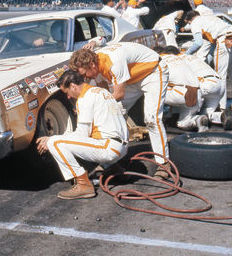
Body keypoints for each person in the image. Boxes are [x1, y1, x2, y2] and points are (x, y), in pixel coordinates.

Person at [69, 42, 171, 179]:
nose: (86, 78)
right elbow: (104, 95)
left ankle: (164, 163)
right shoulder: (95, 67)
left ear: (92, 65)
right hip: (131, 78)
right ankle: (112, 161)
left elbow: (118, 94)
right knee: (114, 113)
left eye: (84, 74)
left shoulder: (112, 62)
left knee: (152, 118)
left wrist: (90, 107)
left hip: (152, 72)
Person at [36, 70, 128, 199]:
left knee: (54, 143)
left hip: (109, 148)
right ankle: (113, 168)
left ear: (73, 86)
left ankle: (84, 185)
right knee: (82, 138)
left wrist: (52, 138)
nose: (68, 97)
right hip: (122, 147)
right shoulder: (101, 91)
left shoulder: (85, 98)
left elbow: (82, 135)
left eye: (67, 92)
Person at [184, 10, 232, 111]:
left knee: (221, 75)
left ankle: (221, 106)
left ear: (189, 20)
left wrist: (186, 54)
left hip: (224, 40)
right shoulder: (209, 18)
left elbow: (198, 43)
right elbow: (210, 44)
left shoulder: (195, 22)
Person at [153, 46, 208, 132]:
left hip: (183, 94)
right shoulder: (177, 58)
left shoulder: (159, 61)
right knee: (182, 123)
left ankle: (157, 120)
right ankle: (197, 119)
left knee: (152, 90)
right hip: (197, 94)